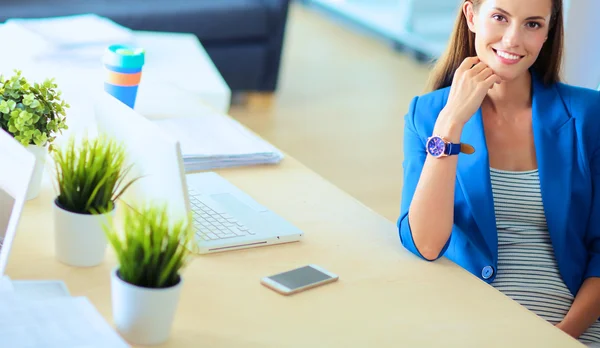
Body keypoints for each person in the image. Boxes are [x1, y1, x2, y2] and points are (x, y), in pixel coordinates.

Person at [397, 0, 600, 345]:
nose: (512, 39)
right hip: (471, 323)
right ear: (471, 16)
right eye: (500, 17)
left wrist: (562, 337)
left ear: (549, 31)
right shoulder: (427, 114)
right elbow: (427, 244)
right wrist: (450, 124)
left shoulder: (588, 115)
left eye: (532, 24)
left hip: (572, 327)